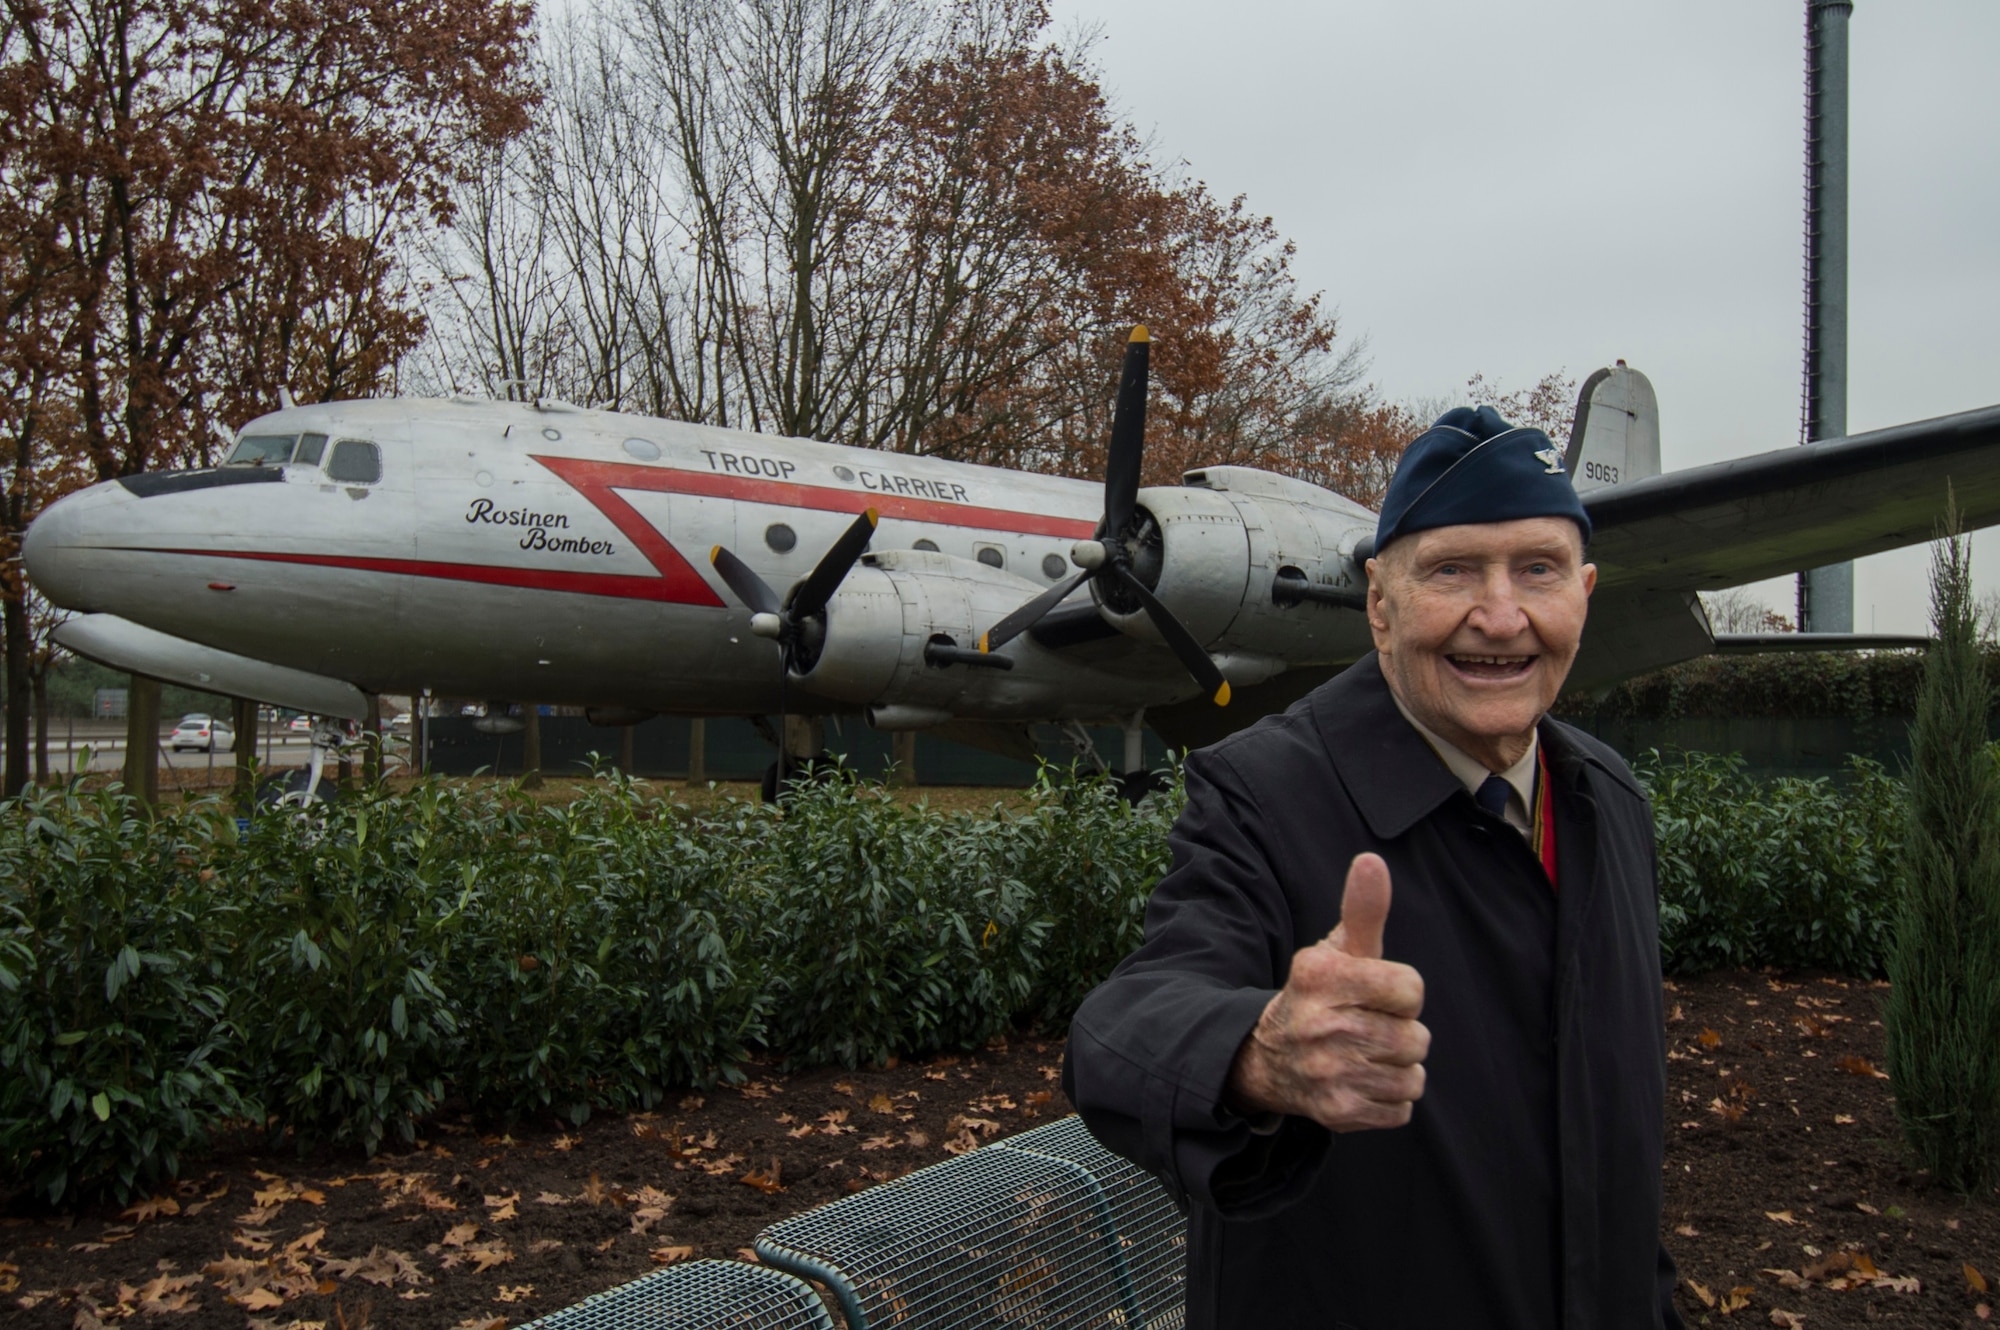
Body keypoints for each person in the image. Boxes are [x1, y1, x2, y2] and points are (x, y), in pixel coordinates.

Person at [1064, 406, 1683, 1329]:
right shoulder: (1261, 793)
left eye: (1539, 569)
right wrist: (1260, 1053)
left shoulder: (1608, 799)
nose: (1502, 615)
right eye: (1452, 571)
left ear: (1586, 593)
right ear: (1379, 604)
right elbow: (1120, 1031)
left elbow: (1619, 1153)